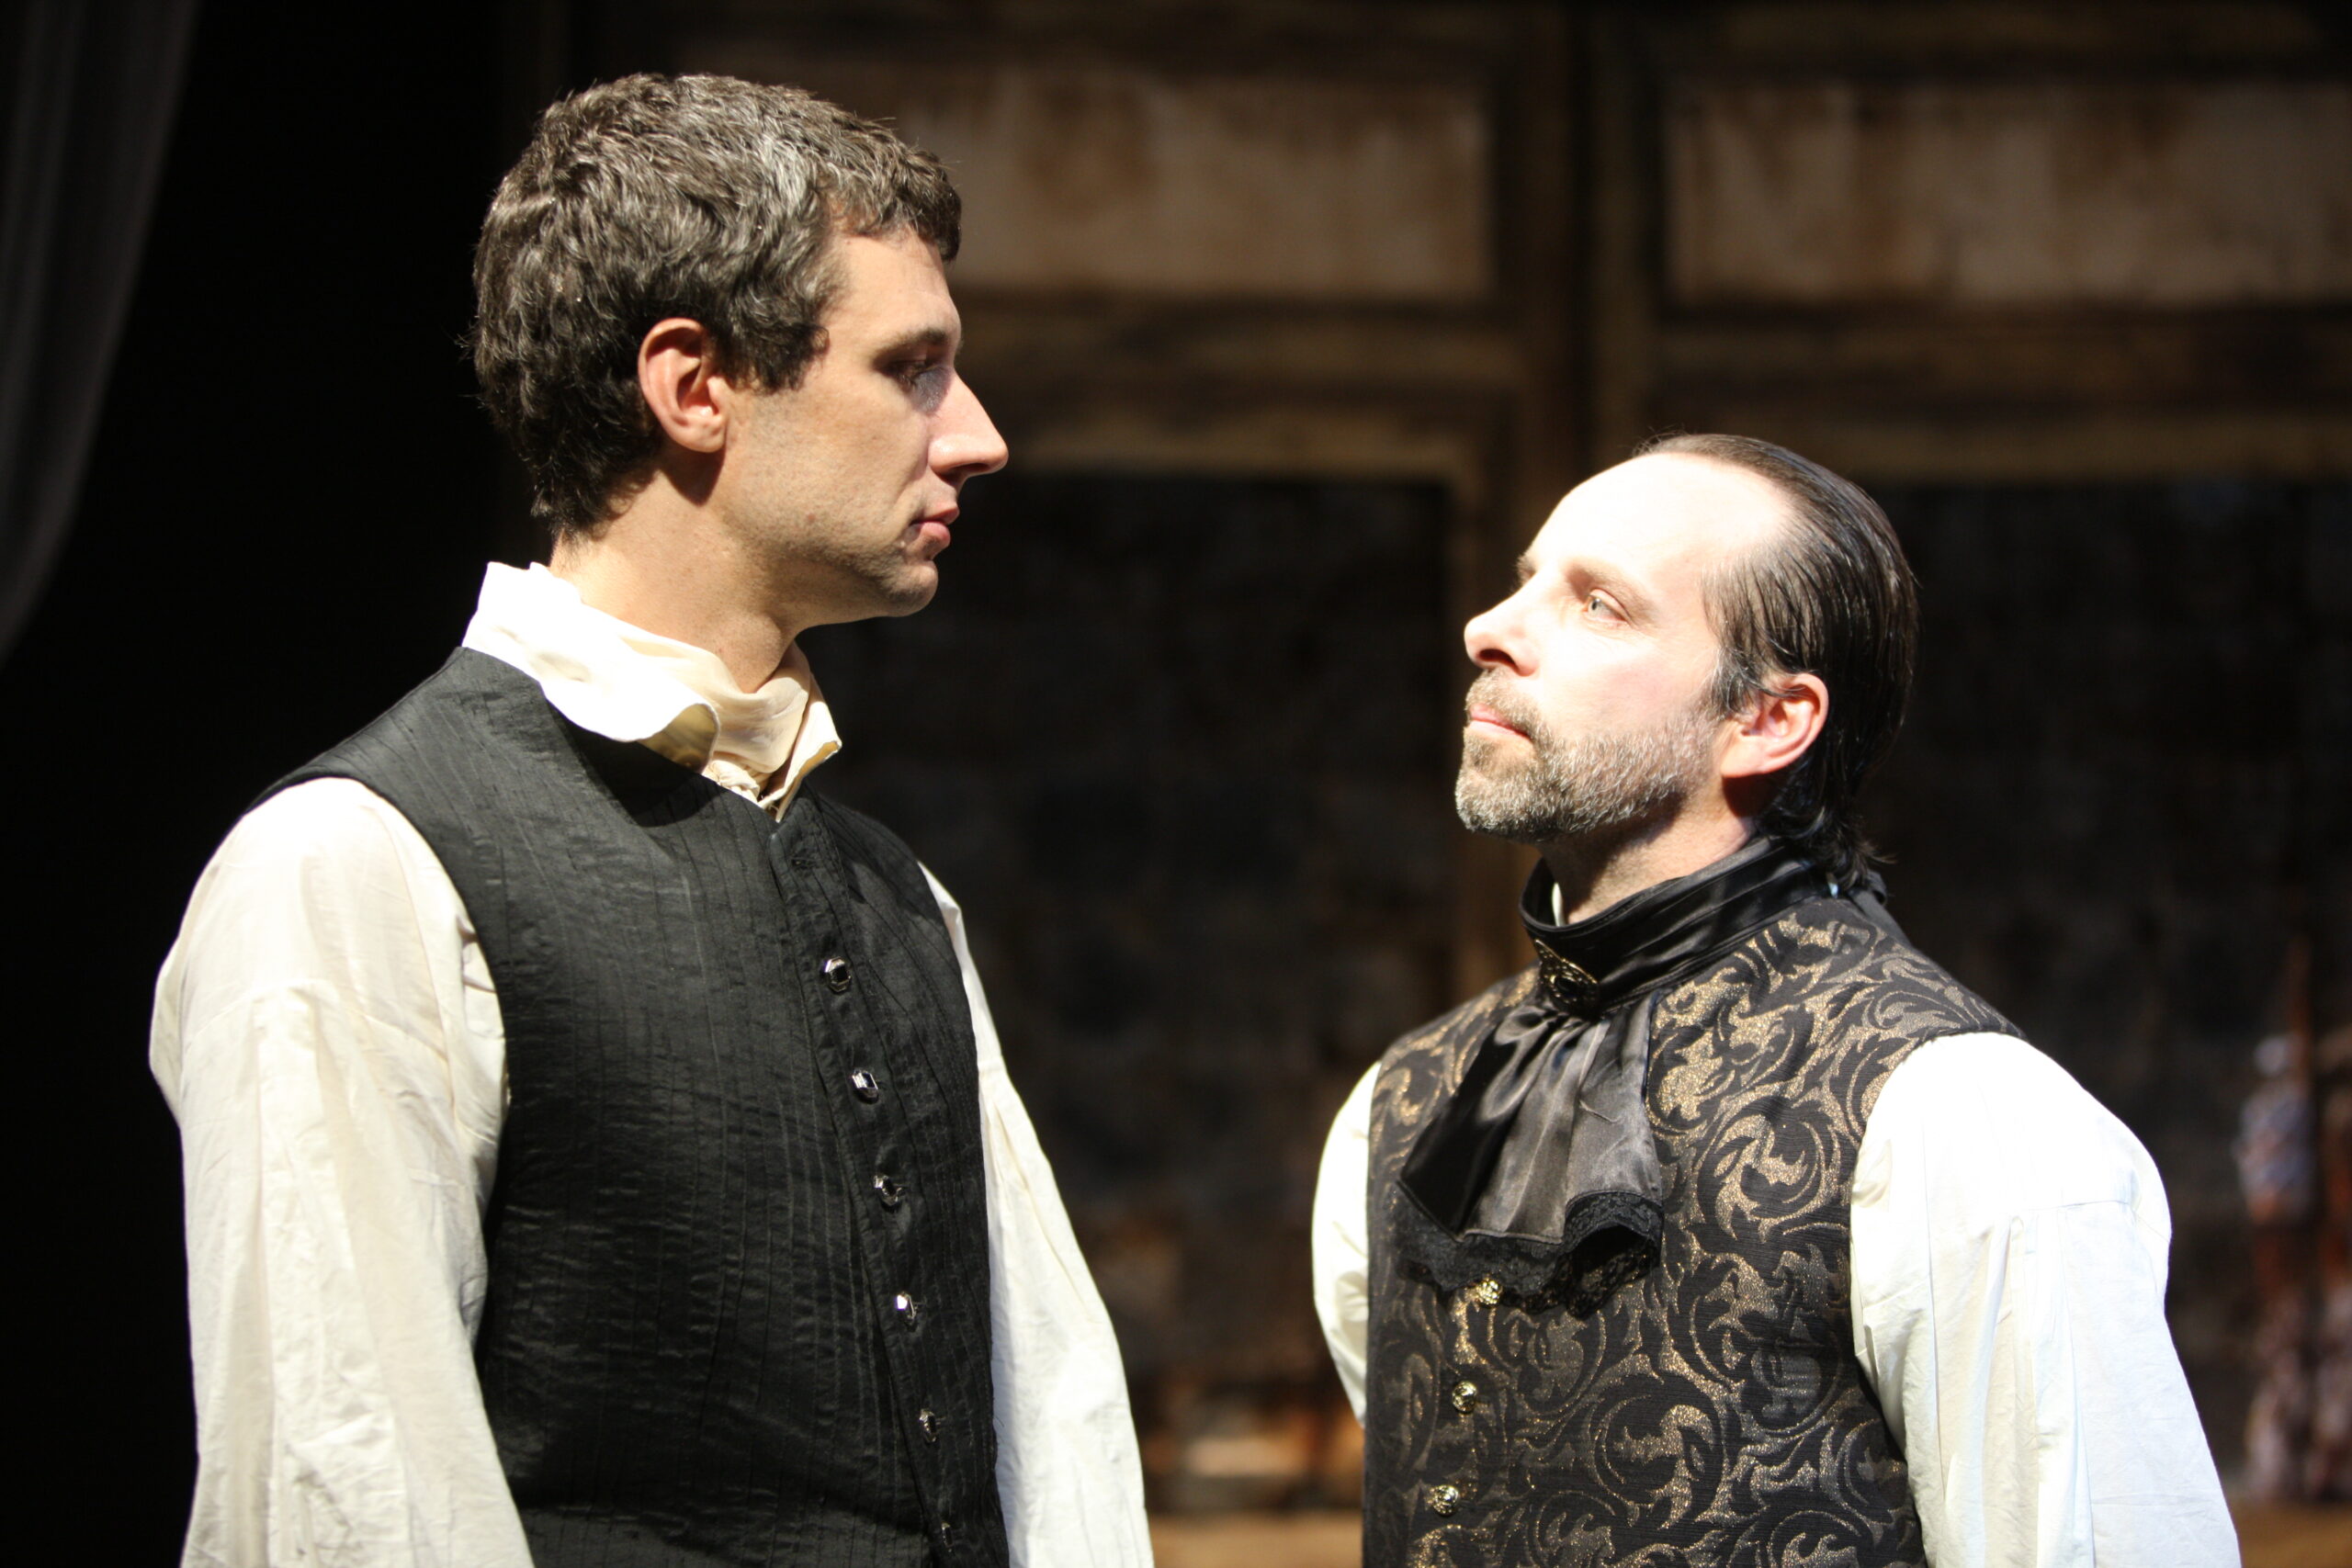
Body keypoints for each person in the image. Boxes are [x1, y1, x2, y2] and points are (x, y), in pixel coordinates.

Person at [151, 74, 1149, 1568]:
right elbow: (343, 1500)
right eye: (915, 368)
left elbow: (1056, 1446)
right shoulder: (357, 866)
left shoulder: (897, 898)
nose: (980, 438)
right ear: (694, 387)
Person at [1311, 434, 2236, 1566]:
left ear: (1766, 721)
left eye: (1600, 605)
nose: (1489, 628)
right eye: (1525, 579)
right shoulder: (1404, 1103)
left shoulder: (1956, 1117)